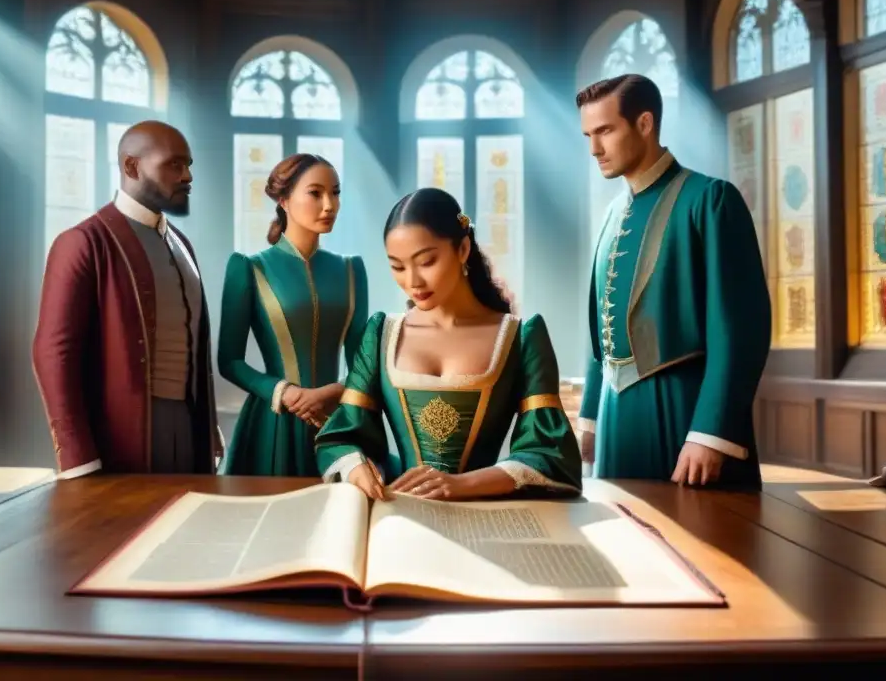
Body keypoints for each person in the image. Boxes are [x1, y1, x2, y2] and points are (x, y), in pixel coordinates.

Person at [314, 187, 582, 501]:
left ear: (463, 249)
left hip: (485, 515)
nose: (413, 282)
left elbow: (550, 453)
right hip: (401, 513)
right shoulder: (381, 334)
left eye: (426, 262)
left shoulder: (521, 337)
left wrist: (461, 485)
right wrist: (357, 467)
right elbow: (343, 435)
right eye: (398, 267)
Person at [576, 74, 771, 489]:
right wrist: (590, 420)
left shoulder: (711, 200)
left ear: (645, 124)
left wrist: (711, 434)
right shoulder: (611, 215)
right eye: (588, 135)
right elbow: (600, 334)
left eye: (606, 131)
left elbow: (740, 331)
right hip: (615, 416)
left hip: (686, 414)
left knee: (702, 548)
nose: (594, 149)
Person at [32, 120, 222, 478]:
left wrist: (208, 428)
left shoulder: (183, 244)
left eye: (189, 166)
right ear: (132, 167)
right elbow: (52, 352)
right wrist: (77, 458)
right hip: (120, 437)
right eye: (174, 165)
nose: (187, 177)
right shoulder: (83, 242)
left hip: (189, 428)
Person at [219, 154, 368, 476]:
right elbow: (229, 361)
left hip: (336, 421)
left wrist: (332, 393)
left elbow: (362, 364)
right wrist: (284, 393)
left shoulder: (351, 269)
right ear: (284, 200)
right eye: (315, 193)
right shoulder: (249, 267)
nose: (329, 204)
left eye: (336, 192)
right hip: (276, 422)